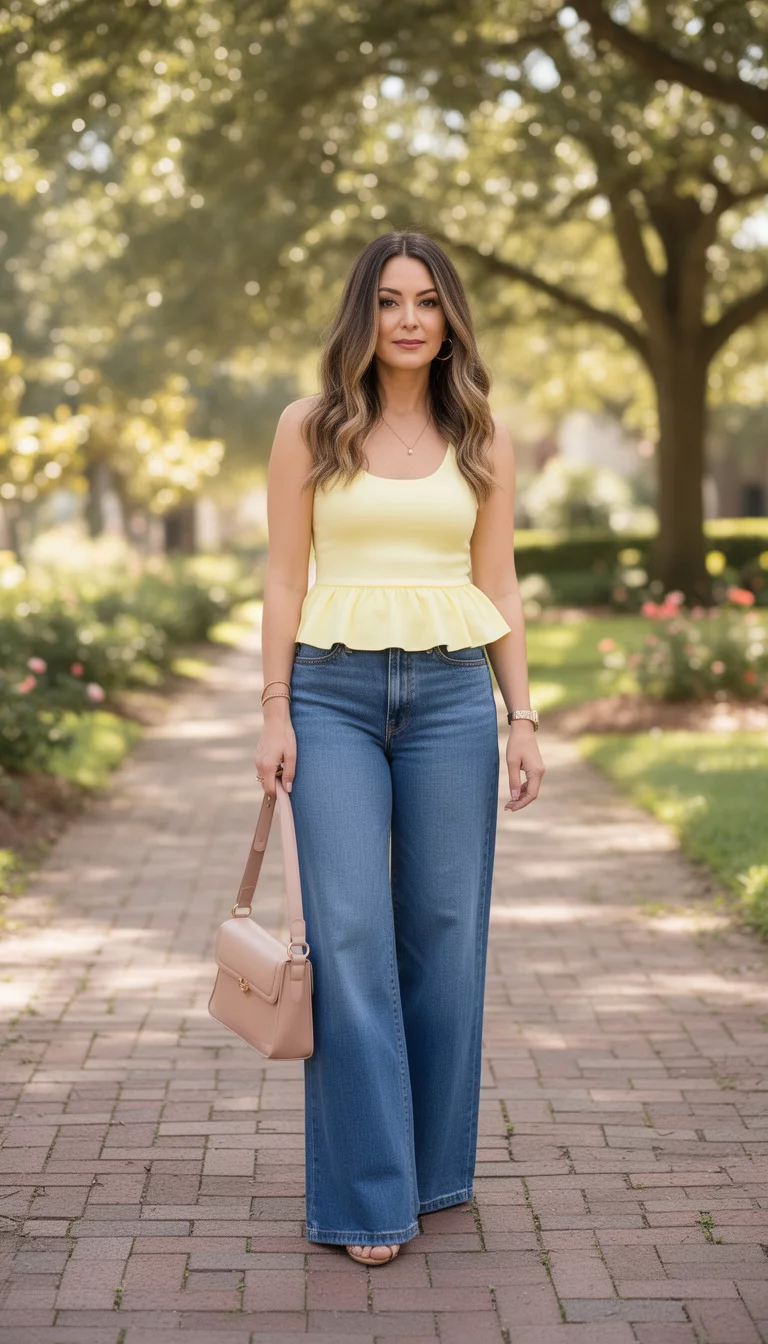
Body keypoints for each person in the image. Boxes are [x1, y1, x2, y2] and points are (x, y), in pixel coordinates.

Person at [255, 229, 545, 1266]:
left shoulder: (482, 433)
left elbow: (498, 582)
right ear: (362, 315)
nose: (410, 318)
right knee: (347, 935)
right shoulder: (311, 427)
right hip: (330, 693)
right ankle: (367, 1198)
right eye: (388, 301)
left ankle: (433, 1172)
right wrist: (274, 707)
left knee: (444, 930)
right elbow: (285, 578)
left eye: (426, 300)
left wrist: (523, 716)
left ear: (449, 315)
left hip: (454, 698)